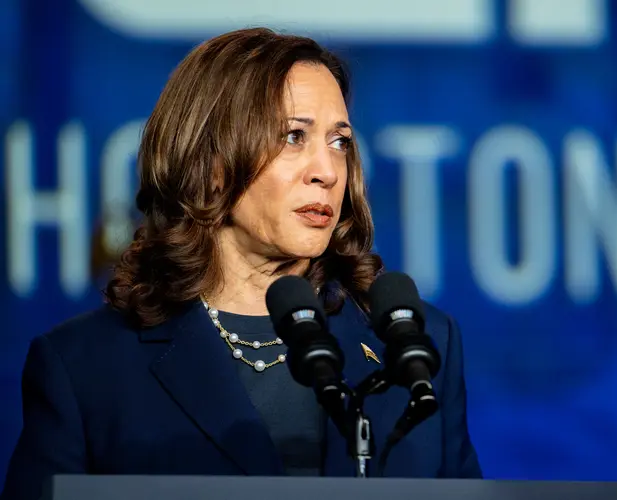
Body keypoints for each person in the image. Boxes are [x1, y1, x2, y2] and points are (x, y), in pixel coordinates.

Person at [0, 27, 482, 500]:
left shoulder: (417, 351)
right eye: (294, 136)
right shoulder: (86, 369)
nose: (328, 172)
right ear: (208, 162)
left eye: (340, 142)